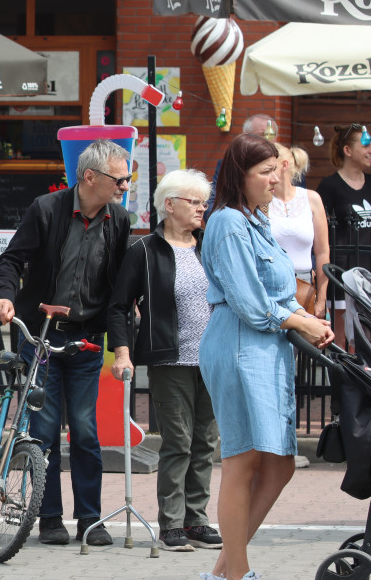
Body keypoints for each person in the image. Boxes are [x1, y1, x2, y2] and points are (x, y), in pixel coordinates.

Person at [199, 134, 334, 580]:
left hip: (266, 347)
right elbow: (251, 305)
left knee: (278, 464)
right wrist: (302, 322)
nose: (276, 179)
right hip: (240, 345)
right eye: (265, 172)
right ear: (241, 176)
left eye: (278, 169)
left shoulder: (256, 220)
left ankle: (223, 571)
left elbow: (278, 295)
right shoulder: (227, 223)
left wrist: (309, 318)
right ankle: (237, 573)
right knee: (243, 460)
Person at [0, 139, 132, 547]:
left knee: (86, 431)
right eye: (119, 179)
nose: (125, 186)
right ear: (91, 177)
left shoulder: (118, 220)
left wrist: (123, 338)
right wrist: (5, 295)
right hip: (43, 337)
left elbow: (120, 287)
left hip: (86, 340)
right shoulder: (47, 209)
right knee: (45, 431)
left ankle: (90, 518)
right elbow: (12, 260)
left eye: (128, 178)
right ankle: (48, 517)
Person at [108, 169, 222, 553]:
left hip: (213, 358)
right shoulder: (144, 250)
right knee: (178, 442)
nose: (202, 209)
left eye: (204, 202)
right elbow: (119, 305)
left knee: (206, 441)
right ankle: (171, 524)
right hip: (170, 359)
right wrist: (122, 351)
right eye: (194, 202)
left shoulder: (210, 245)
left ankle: (196, 520)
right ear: (169, 205)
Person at [316, 124, 371, 347]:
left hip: (368, 270)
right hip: (342, 273)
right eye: (366, 144)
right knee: (343, 337)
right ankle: (345, 380)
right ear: (347, 150)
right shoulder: (329, 186)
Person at [269, 144, 330, 319]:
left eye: (270, 167)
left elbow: (323, 251)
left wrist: (321, 299)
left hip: (304, 284)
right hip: (272, 283)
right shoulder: (262, 201)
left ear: (285, 165)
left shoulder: (311, 198)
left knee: (305, 343)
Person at [204, 114, 281, 223]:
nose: (268, 139)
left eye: (272, 135)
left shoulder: (290, 166)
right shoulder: (230, 219)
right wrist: (225, 221)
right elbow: (215, 200)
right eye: (262, 134)